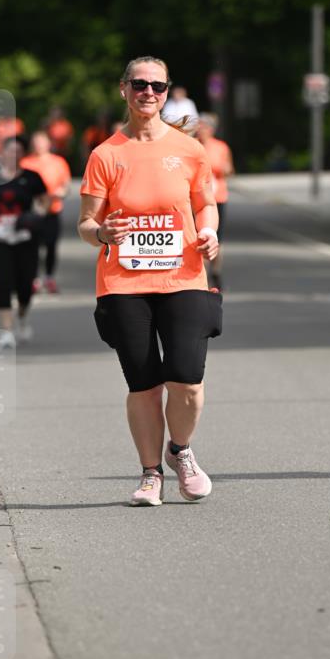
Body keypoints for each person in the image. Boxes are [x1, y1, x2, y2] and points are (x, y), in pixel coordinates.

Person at [78, 56, 222, 506]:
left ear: (167, 92)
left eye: (157, 86)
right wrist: (102, 232)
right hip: (123, 282)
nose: (148, 92)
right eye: (139, 84)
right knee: (143, 384)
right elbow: (85, 223)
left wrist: (210, 231)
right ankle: (150, 475)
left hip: (184, 275)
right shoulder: (106, 154)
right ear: (123, 89)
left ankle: (179, 450)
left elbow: (206, 204)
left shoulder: (189, 149)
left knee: (188, 380)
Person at [0, 135, 50, 349]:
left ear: (23, 154)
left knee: (26, 284)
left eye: (18, 151)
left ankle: (22, 318)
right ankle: (6, 331)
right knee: (3, 282)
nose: (13, 154)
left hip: (25, 237)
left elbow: (44, 200)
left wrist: (38, 215)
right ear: (3, 152)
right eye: (10, 150)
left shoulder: (32, 177)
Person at [21, 130, 72, 293]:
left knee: (51, 245)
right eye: (36, 142)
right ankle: (34, 279)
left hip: (52, 210)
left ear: (48, 144)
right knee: (32, 247)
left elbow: (66, 184)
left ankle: (49, 277)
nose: (39, 145)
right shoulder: (25, 163)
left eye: (42, 142)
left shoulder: (59, 162)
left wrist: (61, 193)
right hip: (33, 212)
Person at [196, 112, 235, 289]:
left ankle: (216, 271)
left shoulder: (221, 147)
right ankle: (200, 275)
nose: (201, 129)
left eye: (205, 126)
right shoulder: (192, 145)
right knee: (198, 237)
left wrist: (225, 170)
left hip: (217, 197)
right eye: (199, 126)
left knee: (216, 237)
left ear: (211, 130)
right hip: (196, 198)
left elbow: (230, 170)